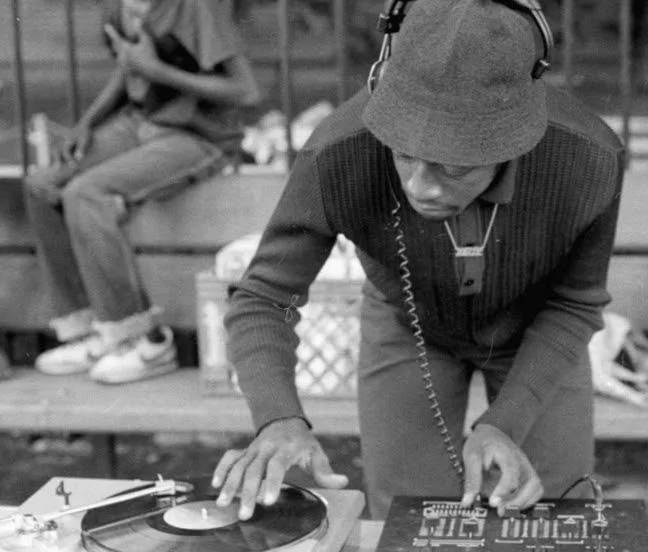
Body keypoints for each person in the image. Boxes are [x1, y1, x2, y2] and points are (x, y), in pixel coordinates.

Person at [211, 0, 625, 520]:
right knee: (407, 523)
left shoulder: (589, 158)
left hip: (540, 329)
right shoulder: (338, 149)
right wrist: (278, 418)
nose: (420, 187)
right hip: (405, 322)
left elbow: (575, 302)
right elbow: (264, 298)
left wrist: (505, 423)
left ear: (513, 142)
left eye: (454, 167)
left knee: (556, 517)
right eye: (404, 154)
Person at [24, 0, 260, 384]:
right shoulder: (125, 5)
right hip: (139, 124)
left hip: (196, 135)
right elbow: (130, 66)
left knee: (87, 193)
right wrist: (88, 122)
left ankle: (146, 341)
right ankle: (91, 332)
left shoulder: (197, 7)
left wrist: (158, 71)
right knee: (43, 185)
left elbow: (245, 90)